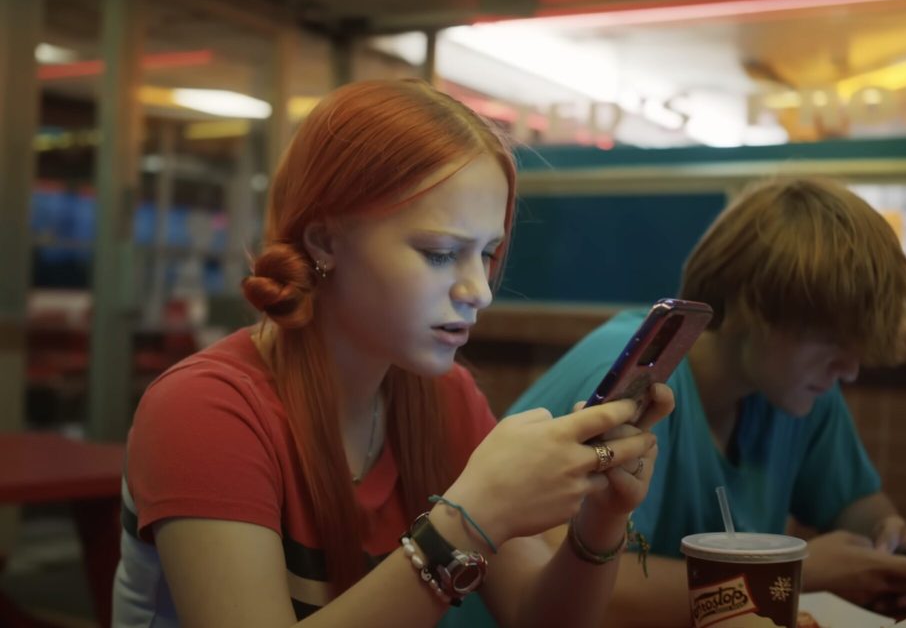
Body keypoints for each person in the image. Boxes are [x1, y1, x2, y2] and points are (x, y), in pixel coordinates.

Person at [111, 79, 673, 628]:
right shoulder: (206, 410)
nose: (477, 288)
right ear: (325, 241)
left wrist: (601, 521)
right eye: (440, 253)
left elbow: (535, 615)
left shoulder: (443, 397)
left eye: (489, 253)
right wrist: (470, 520)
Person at [502, 176, 906, 626]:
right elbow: (594, 596)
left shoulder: (799, 389)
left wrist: (888, 538)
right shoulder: (640, 379)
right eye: (831, 339)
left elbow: (856, 503)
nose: (849, 370)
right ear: (749, 308)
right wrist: (795, 573)